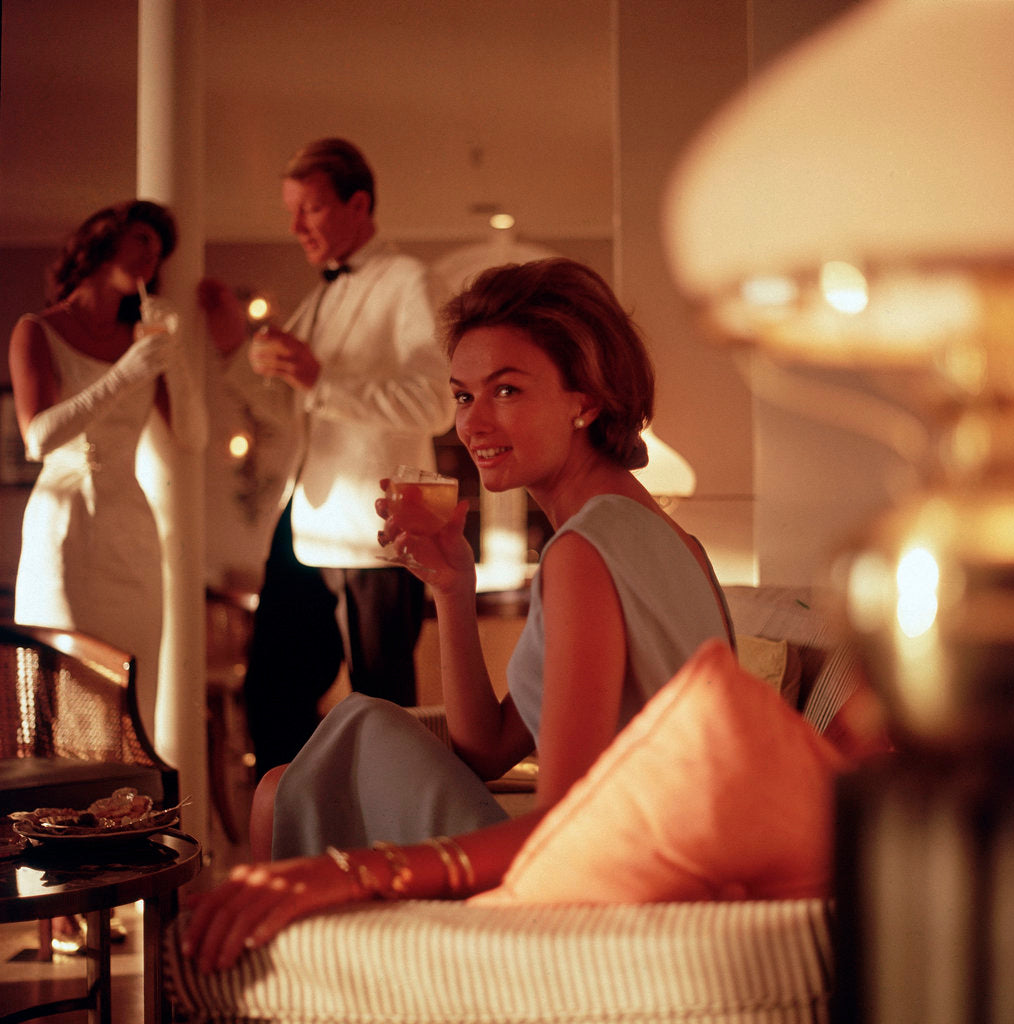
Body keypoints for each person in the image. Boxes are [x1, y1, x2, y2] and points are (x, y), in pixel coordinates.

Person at [182, 257, 734, 973]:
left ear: (586, 398)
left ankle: (291, 970)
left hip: (603, 896)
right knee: (290, 782)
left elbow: (560, 829)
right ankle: (299, 965)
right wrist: (451, 589)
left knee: (339, 744)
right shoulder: (665, 539)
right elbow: (488, 748)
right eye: (462, 395)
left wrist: (348, 873)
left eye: (506, 390)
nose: (473, 422)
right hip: (633, 864)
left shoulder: (583, 551)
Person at [199, 137, 453, 778]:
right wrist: (236, 349)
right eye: (292, 211)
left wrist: (320, 379)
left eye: (308, 209)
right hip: (305, 521)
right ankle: (301, 833)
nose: (295, 227)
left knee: (384, 707)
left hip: (377, 528)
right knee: (271, 694)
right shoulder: (317, 301)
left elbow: (436, 404)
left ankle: (388, 852)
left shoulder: (409, 282)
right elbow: (292, 413)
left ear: (357, 202)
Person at [8, 198, 204, 957]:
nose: (151, 256)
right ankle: (56, 900)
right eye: (143, 238)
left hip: (129, 530)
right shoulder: (39, 330)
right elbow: (39, 436)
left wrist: (170, 357)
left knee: (130, 714)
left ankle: (121, 881)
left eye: (161, 246)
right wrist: (127, 370)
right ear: (102, 240)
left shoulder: (144, 335)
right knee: (60, 713)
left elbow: (189, 433)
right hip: (63, 529)